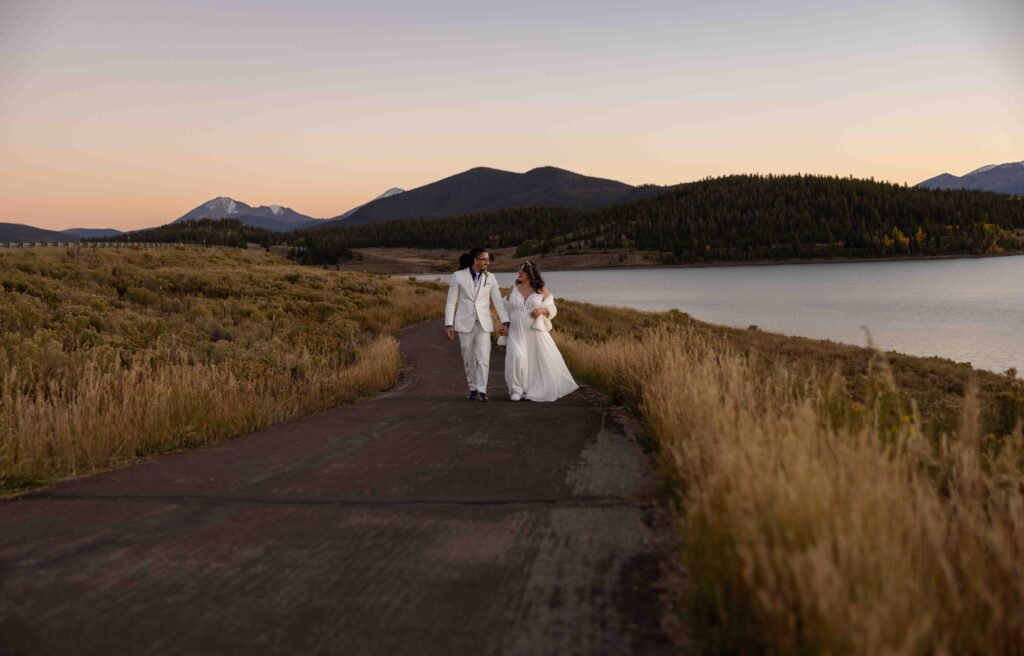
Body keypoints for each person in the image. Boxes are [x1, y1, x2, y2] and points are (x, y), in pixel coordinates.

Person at [503, 261, 578, 402]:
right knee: (516, 356)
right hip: (516, 331)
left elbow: (552, 308)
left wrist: (542, 310)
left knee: (534, 361)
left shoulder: (541, 289)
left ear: (530, 274)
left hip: (533, 331)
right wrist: (505, 325)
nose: (519, 274)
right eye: (519, 271)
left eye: (522, 271)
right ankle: (516, 389)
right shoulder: (513, 288)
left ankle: (530, 388)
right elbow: (505, 307)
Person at [444, 247, 510, 402]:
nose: (487, 262)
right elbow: (451, 301)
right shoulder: (458, 276)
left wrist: (505, 321)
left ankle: (482, 391)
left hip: (483, 324)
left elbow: (498, 301)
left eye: (488, 259)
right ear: (476, 260)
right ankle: (473, 388)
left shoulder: (491, 278)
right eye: (485, 259)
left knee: (483, 358)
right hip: (464, 323)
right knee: (468, 359)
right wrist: (449, 324)